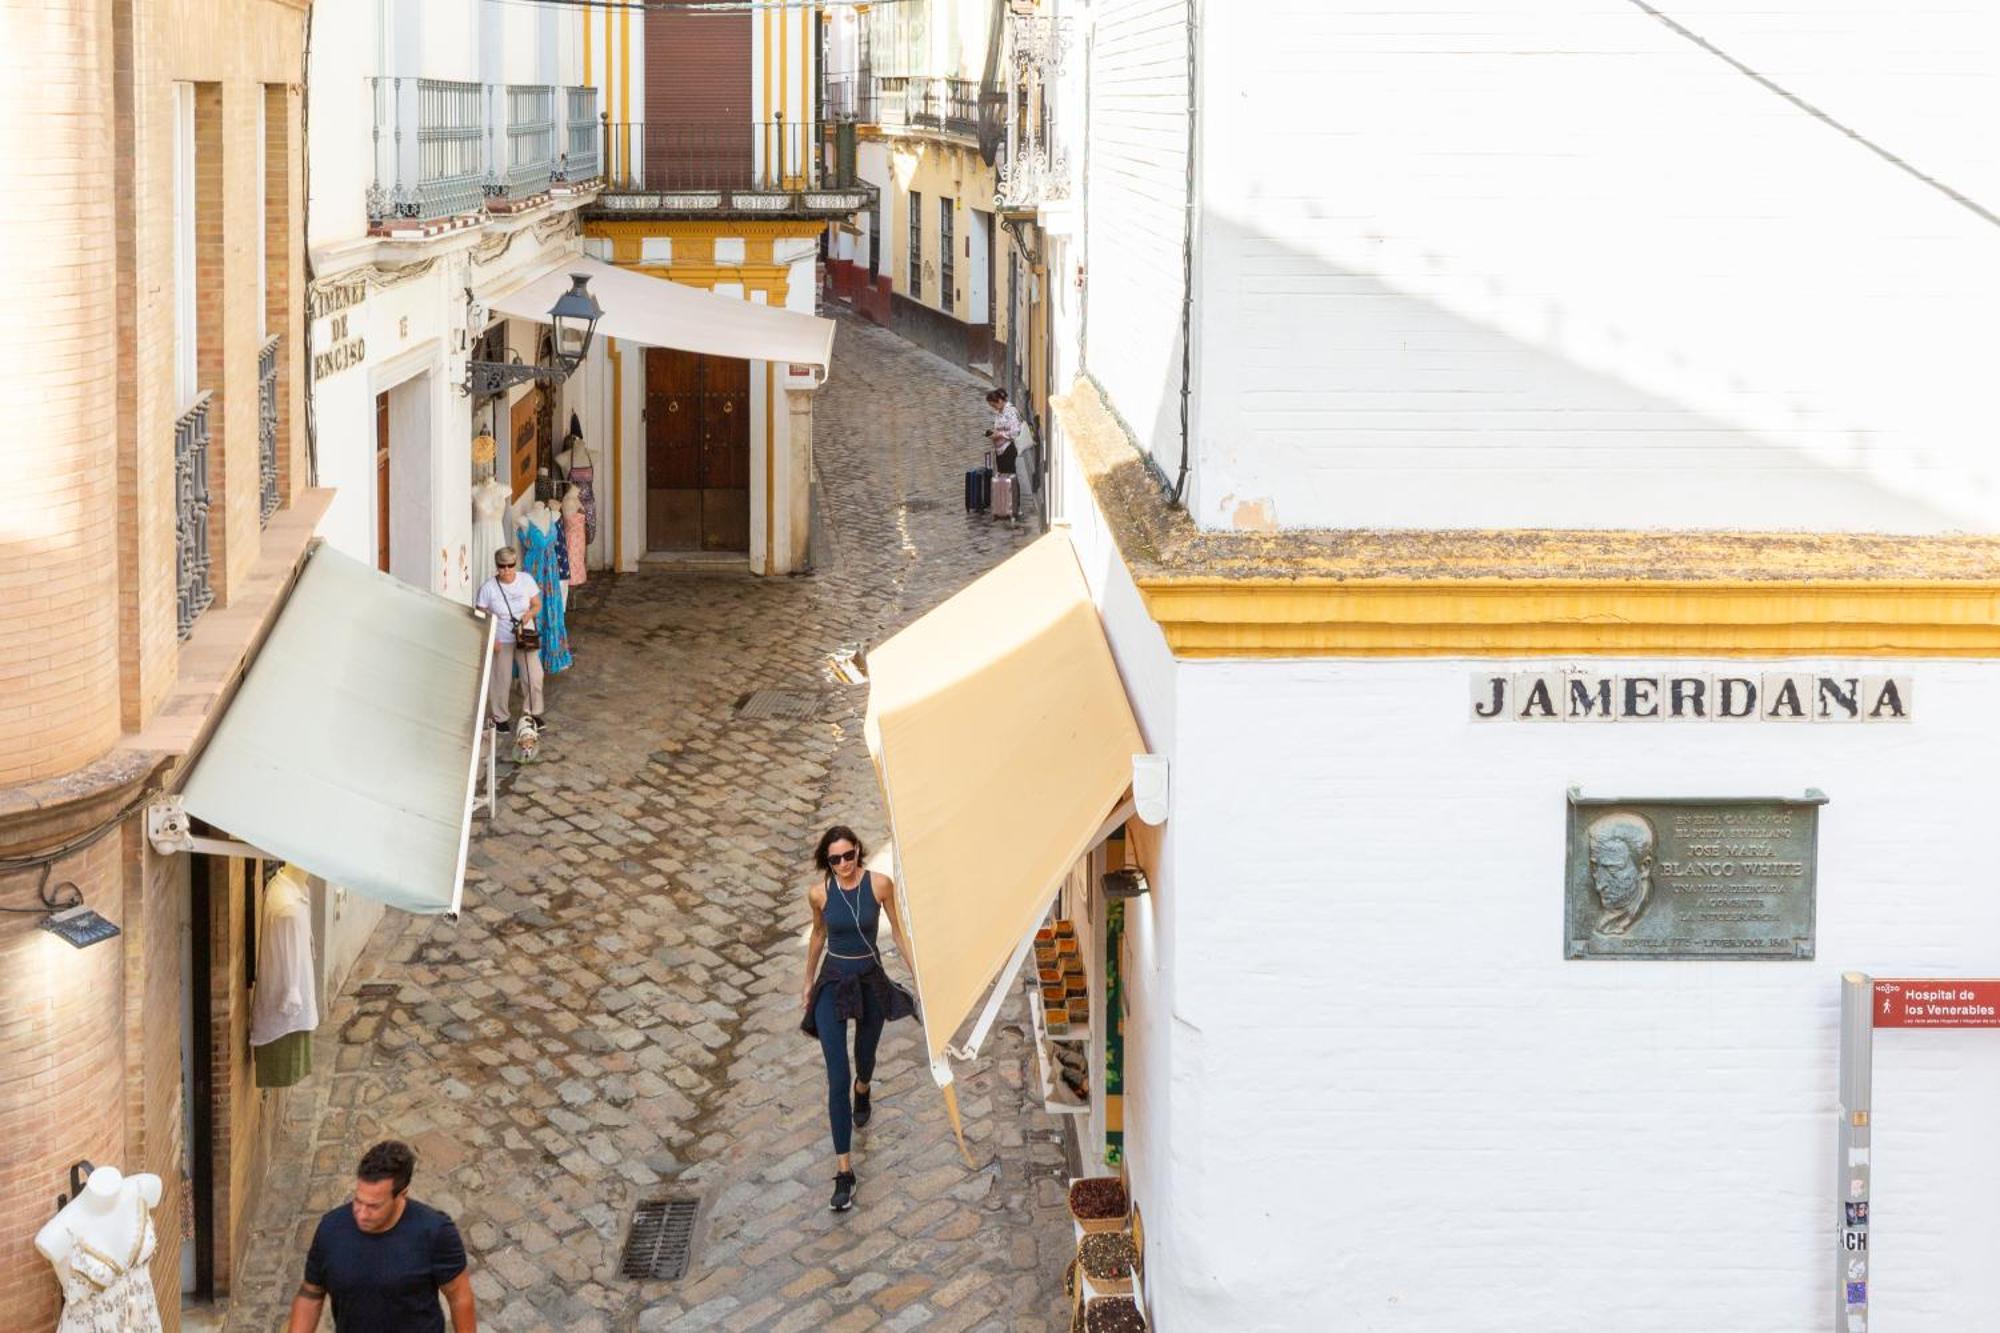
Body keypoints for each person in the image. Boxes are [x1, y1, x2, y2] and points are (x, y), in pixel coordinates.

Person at [801, 825, 918, 1212]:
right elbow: (818, 936)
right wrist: (807, 983)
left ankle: (863, 1089)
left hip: (870, 980)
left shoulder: (880, 885)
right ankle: (844, 1172)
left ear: (858, 852)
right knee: (836, 1075)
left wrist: (917, 974)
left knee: (864, 1057)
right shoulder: (819, 894)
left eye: (848, 855)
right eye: (834, 859)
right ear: (827, 861)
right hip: (834, 981)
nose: (843, 864)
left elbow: (898, 933)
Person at [287, 1140, 475, 1333]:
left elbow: (459, 1296)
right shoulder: (331, 1228)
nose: (361, 1213)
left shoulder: (435, 1232)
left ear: (401, 1195)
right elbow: (311, 1294)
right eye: (358, 1201)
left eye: (374, 1206)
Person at [474, 545, 543, 733]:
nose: (506, 570)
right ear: (497, 566)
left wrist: (529, 614)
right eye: (501, 566)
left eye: (510, 565)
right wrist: (491, 637)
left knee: (533, 675)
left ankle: (532, 713)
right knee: (500, 679)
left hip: (524, 635)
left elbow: (537, 604)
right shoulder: (488, 588)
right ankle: (500, 717)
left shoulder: (526, 580)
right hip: (501, 637)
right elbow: (481, 614)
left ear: (515, 564)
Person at [983, 387, 1022, 480]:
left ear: (1000, 400)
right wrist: (993, 433)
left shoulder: (1010, 412)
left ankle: (1010, 494)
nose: (994, 408)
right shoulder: (1000, 411)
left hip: (1008, 449)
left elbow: (1015, 432)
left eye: (994, 405)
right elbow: (1001, 428)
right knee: (1002, 477)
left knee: (1009, 477)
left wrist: (999, 434)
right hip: (1000, 450)